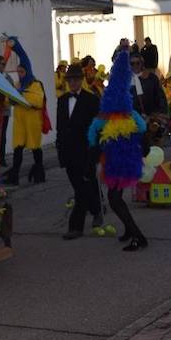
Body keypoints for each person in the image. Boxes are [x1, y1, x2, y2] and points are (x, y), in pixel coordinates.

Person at [88, 51, 148, 251]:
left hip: (115, 161)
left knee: (115, 200)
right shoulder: (130, 114)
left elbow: (92, 134)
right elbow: (142, 128)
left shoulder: (104, 116)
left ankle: (138, 236)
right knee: (117, 198)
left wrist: (94, 150)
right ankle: (130, 231)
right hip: (127, 160)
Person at [57, 64, 103, 240]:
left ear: (81, 81)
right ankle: (97, 209)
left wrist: (96, 152)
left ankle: (75, 227)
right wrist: (61, 152)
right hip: (69, 153)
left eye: (76, 80)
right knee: (83, 186)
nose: (73, 83)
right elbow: (61, 128)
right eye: (70, 80)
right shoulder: (62, 100)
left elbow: (97, 128)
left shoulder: (91, 100)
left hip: (86, 151)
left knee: (81, 190)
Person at [1, 38, 47, 184]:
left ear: (27, 71)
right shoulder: (17, 84)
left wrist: (20, 95)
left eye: (22, 71)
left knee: (35, 148)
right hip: (20, 121)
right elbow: (9, 99)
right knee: (18, 149)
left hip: (32, 122)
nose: (19, 73)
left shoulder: (36, 84)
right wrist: (10, 98)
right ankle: (14, 177)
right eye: (18, 71)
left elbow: (37, 101)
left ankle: (39, 174)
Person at [0, 56, 15, 167]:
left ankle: (1, 158)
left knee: (2, 135)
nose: (4, 66)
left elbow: (12, 92)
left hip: (4, 111)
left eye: (4, 64)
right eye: (2, 64)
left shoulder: (8, 78)